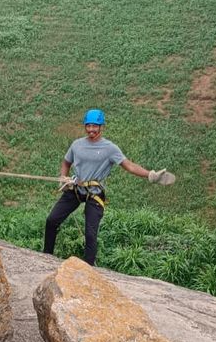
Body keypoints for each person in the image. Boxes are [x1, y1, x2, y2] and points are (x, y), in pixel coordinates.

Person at [43, 108, 175, 266]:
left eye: (95, 126)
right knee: (51, 220)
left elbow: (129, 166)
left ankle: (88, 268)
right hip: (76, 189)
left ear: (101, 127)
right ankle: (46, 256)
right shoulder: (77, 145)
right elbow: (66, 162)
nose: (91, 129)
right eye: (88, 126)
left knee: (90, 234)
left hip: (95, 193)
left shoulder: (110, 148)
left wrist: (150, 175)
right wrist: (63, 177)